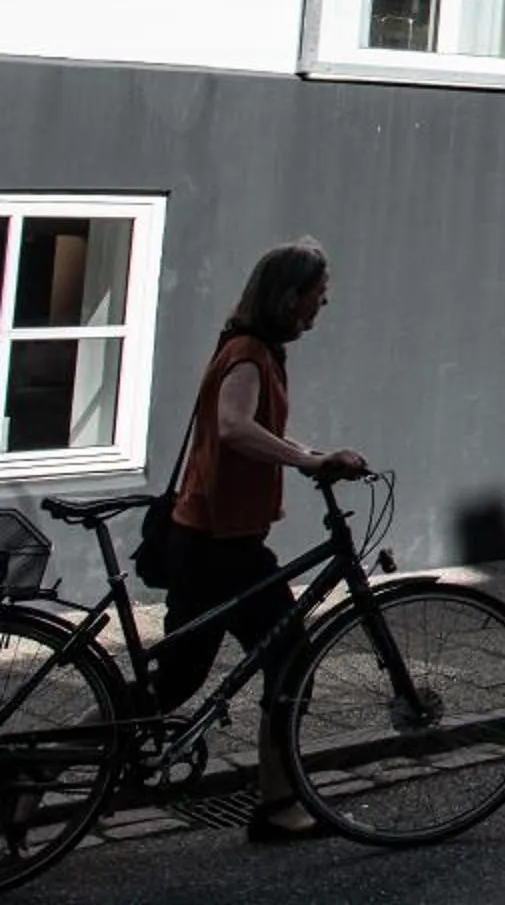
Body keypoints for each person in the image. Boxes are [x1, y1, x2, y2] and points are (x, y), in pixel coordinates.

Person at [152, 240, 369, 845]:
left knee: (176, 681)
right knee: (288, 658)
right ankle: (276, 807)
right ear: (289, 296)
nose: (319, 309)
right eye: (316, 297)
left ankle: (36, 777)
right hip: (220, 544)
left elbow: (256, 429)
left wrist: (307, 453)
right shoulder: (248, 353)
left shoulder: (255, 350)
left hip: (216, 538)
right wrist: (310, 460)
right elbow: (233, 428)